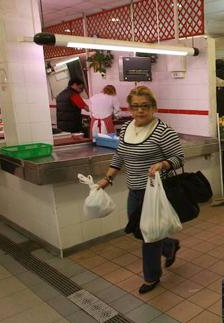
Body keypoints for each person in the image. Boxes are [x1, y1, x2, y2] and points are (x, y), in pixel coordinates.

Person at [97, 86, 184, 294]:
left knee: (149, 236)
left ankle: (151, 277)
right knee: (139, 231)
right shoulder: (126, 127)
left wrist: (162, 165)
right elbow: (119, 155)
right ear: (130, 108)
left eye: (145, 106)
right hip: (134, 190)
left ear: (153, 107)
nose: (140, 111)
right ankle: (169, 246)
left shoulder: (163, 131)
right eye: (135, 106)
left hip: (155, 191)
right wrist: (108, 178)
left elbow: (179, 158)